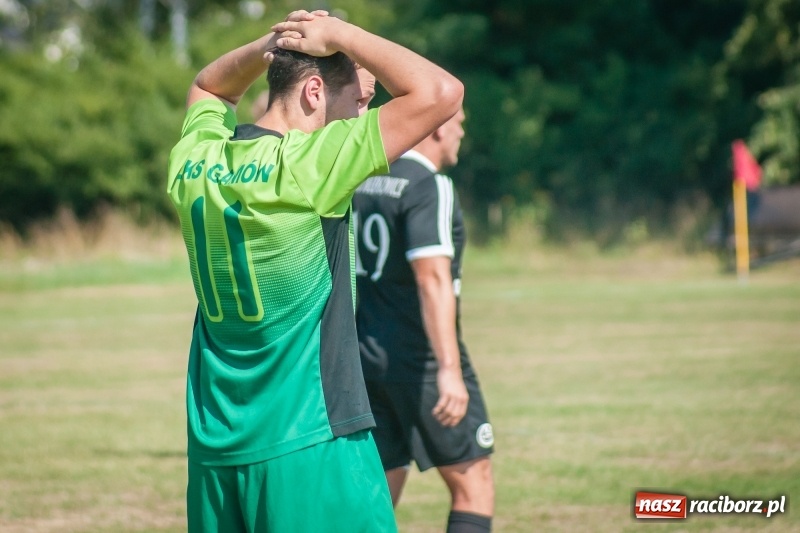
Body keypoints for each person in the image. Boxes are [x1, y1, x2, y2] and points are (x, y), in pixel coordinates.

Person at [166, 8, 463, 532]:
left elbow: (209, 89)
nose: (366, 110)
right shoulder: (311, 165)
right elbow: (441, 93)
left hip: (216, 446)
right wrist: (338, 35)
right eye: (362, 98)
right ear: (313, 93)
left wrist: (279, 41)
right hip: (310, 440)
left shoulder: (197, 159)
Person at [353, 108, 495, 533]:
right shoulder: (428, 185)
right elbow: (432, 278)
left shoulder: (365, 181)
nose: (463, 130)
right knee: (475, 484)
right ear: (435, 125)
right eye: (459, 120)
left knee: (378, 494)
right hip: (422, 362)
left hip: (366, 357)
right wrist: (449, 369)